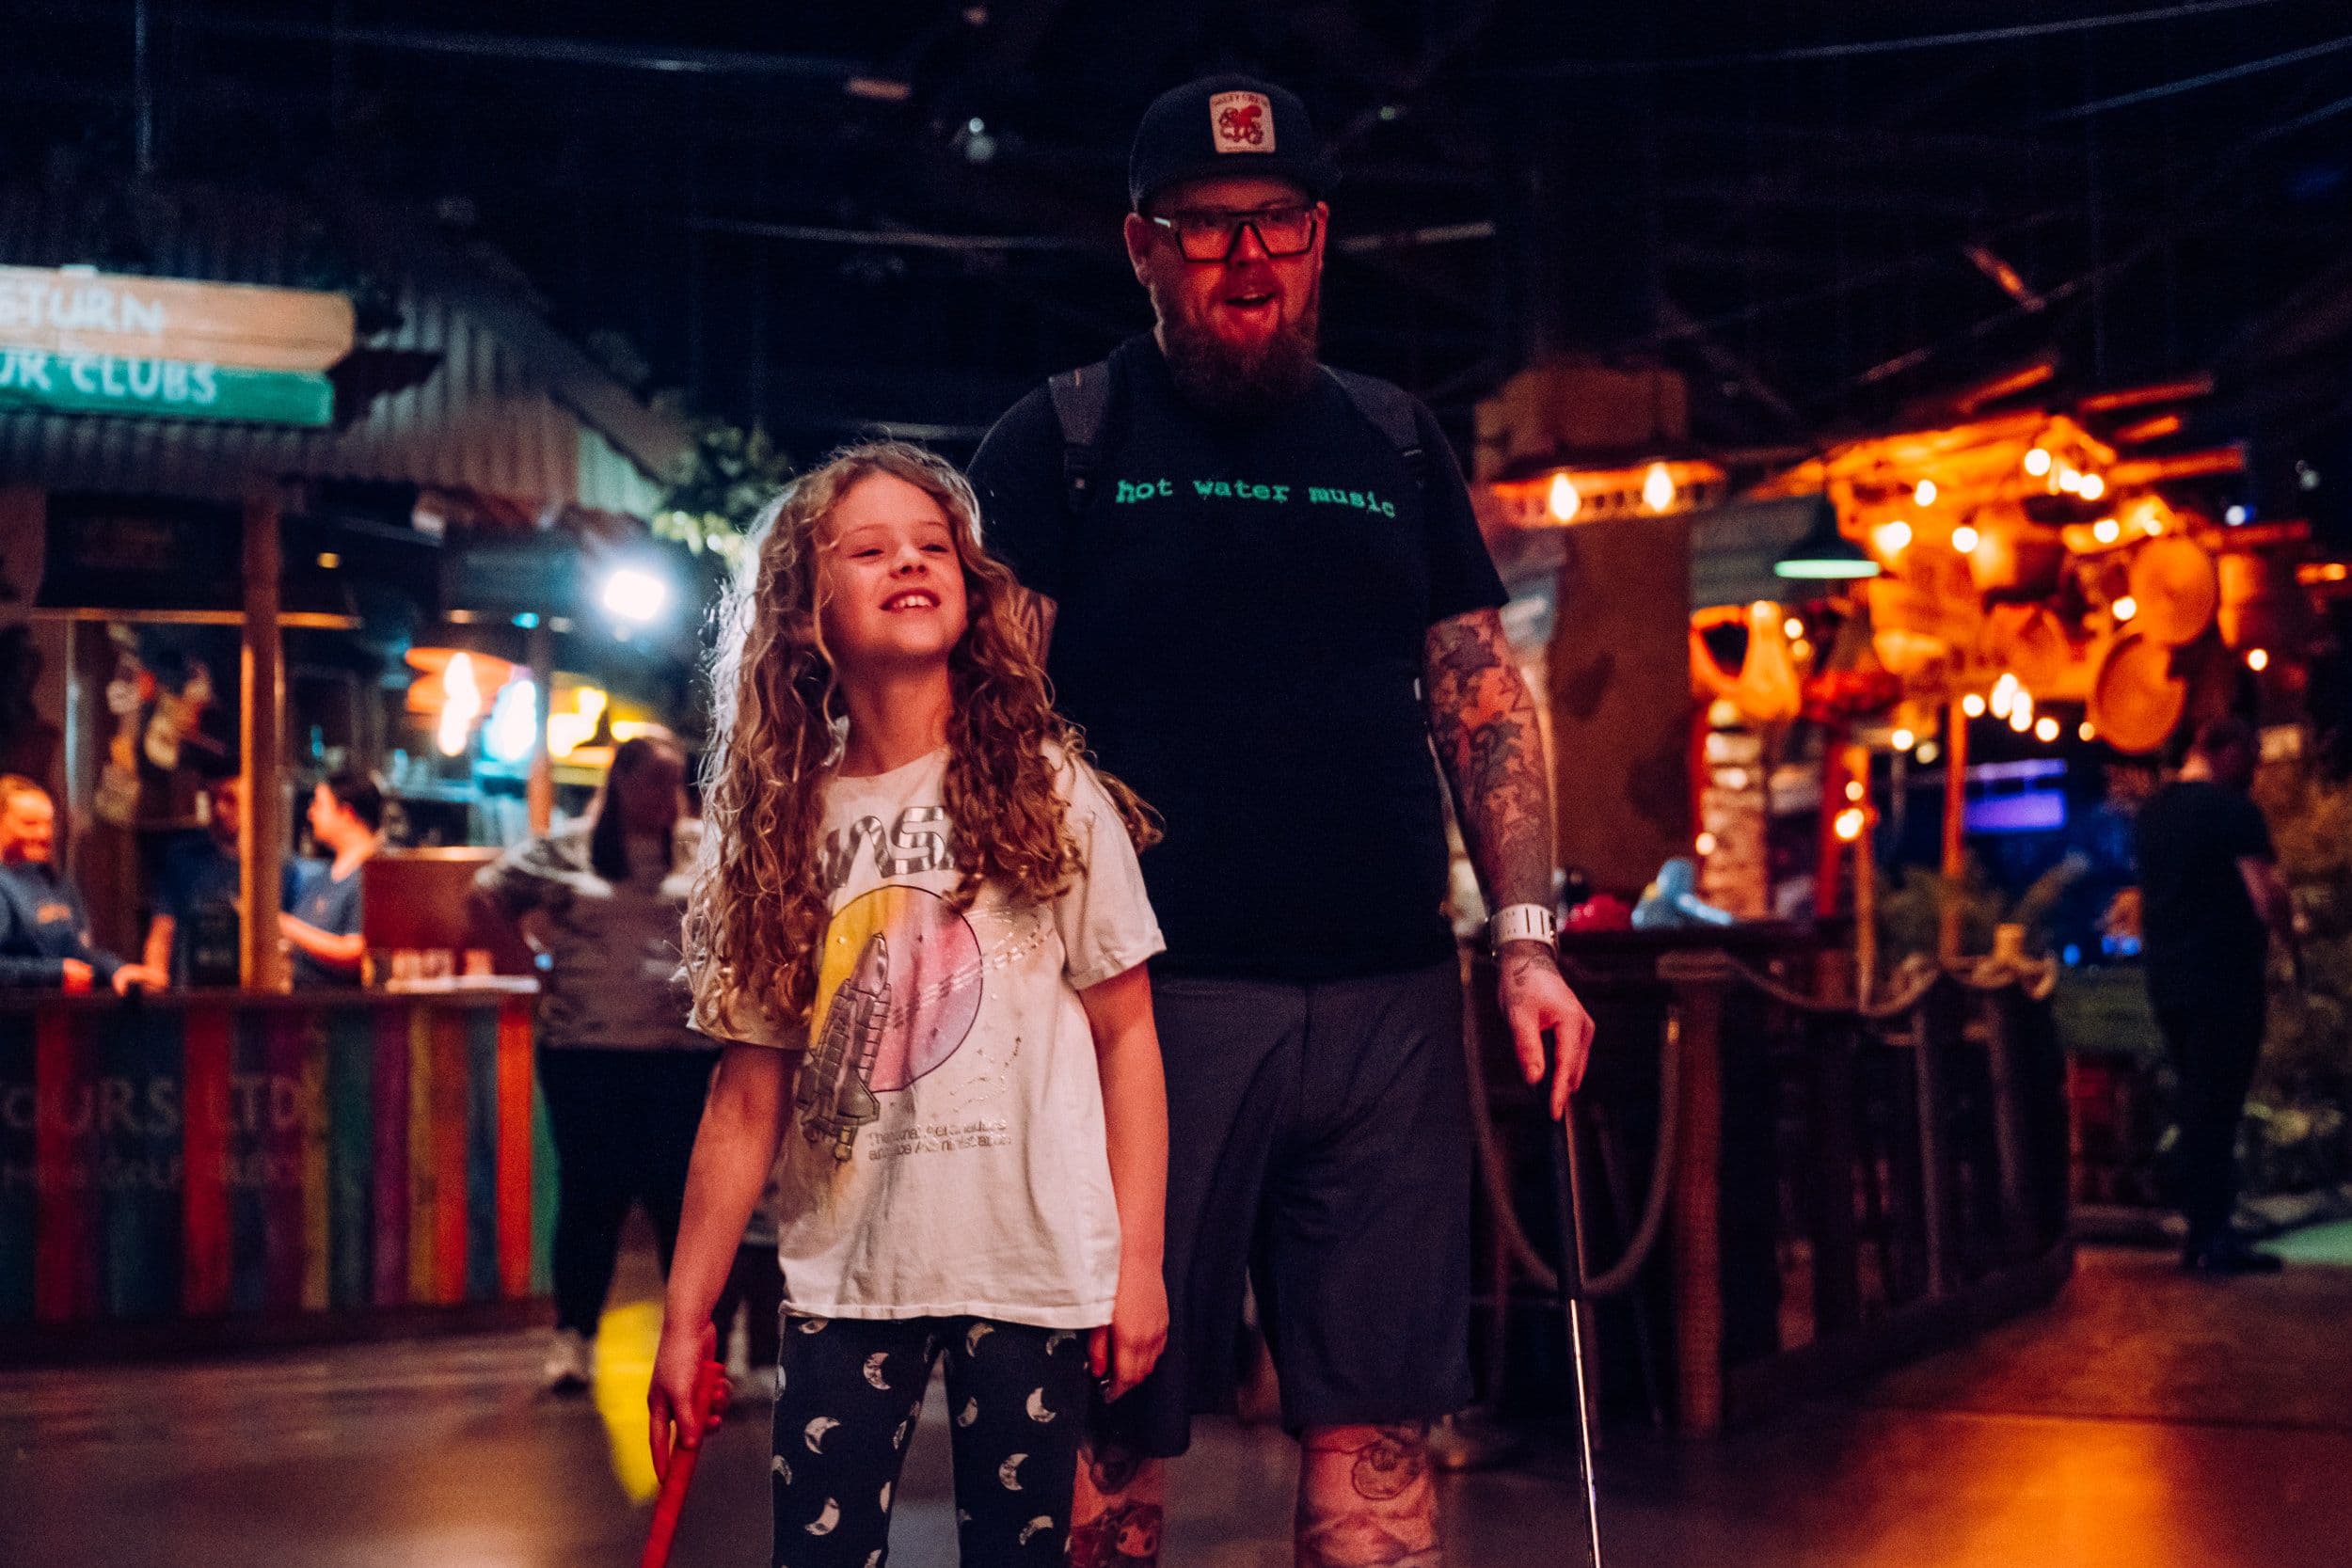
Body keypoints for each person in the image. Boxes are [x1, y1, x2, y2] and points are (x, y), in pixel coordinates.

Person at [965, 73, 1596, 1566]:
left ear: (1320, 237)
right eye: (1208, 228)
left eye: (1280, 226)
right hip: (1141, 1012)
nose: (1249, 261)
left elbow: (1476, 692)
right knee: (1110, 1412)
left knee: (1378, 1422)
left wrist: (1524, 940)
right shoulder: (1064, 436)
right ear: (1143, 244)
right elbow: (988, 728)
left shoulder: (1390, 441)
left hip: (1385, 999)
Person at [650, 442, 1170, 1568]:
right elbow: (746, 1098)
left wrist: (1139, 1264)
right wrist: (685, 1306)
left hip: (1031, 1266)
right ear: (805, 614)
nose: (909, 562)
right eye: (869, 549)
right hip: (846, 1269)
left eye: (934, 545)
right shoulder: (781, 825)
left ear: (972, 590)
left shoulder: (1045, 788)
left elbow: (1128, 1034)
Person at [474, 732, 722, 1394]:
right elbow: (485, 893)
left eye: (677, 782)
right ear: (621, 783)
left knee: (681, 1200)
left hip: (679, 1053)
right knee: (592, 1196)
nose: (669, 797)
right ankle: (573, 1337)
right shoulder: (570, 849)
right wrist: (532, 964)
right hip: (585, 1051)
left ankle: (692, 1344)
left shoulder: (703, 847)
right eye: (655, 782)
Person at [2136, 715, 2296, 1275]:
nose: (2253, 771)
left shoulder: (2152, 815)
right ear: (2224, 750)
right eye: (2251, 756)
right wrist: (2289, 937)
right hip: (2224, 978)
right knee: (2218, 1107)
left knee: (2197, 1100)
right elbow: (2264, 896)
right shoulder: (2233, 813)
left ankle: (2204, 1233)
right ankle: (2210, 1239)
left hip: (2169, 979)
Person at [0, 775, 166, 993]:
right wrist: (54, 974)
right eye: (30, 824)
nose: (44, 834)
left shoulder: (55, 883)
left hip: (62, 1018)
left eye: (48, 823)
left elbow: (78, 953)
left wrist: (116, 970)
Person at [144, 774, 298, 988]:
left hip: (253, 998)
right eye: (213, 799)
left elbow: (289, 946)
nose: (219, 809)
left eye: (230, 799)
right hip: (190, 998)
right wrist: (153, 988)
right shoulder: (184, 860)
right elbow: (162, 930)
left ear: (254, 800)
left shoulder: (279, 868)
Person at [281, 771, 380, 988]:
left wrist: (286, 926)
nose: (310, 813)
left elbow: (357, 951)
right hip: (301, 1007)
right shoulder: (323, 875)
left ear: (346, 813)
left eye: (318, 804)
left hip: (341, 1015)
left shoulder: (373, 876)